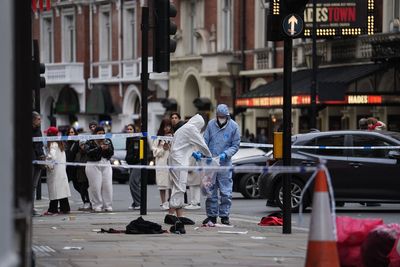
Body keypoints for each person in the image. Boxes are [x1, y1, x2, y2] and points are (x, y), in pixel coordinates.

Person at [164, 114, 211, 233]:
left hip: (175, 160)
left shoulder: (184, 128)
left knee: (178, 186)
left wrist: (194, 154)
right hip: (179, 162)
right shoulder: (191, 129)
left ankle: (178, 216)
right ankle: (171, 216)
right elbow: (202, 144)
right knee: (180, 187)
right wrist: (209, 156)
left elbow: (184, 145)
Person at [202, 104, 240, 225]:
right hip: (211, 162)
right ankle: (212, 216)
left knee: (226, 191)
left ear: (227, 116)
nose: (221, 118)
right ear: (217, 115)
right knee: (210, 190)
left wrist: (226, 154)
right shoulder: (211, 125)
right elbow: (204, 141)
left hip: (224, 163)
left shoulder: (234, 126)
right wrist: (201, 152)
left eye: (224, 116)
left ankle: (224, 215)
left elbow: (235, 145)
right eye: (220, 116)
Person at [84, 126, 114, 212]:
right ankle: (97, 205)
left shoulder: (108, 141)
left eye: (102, 133)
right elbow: (88, 153)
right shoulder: (89, 142)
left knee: (107, 185)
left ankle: (107, 205)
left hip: (105, 163)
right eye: (99, 133)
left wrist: (107, 149)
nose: (101, 135)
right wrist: (100, 148)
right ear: (95, 134)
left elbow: (111, 153)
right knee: (95, 186)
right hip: (93, 164)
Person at [43, 127, 71, 215]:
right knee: (62, 190)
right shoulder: (60, 144)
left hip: (55, 171)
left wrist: (47, 163)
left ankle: (53, 209)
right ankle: (65, 208)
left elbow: (52, 157)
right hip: (61, 170)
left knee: (54, 190)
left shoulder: (53, 144)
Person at [152, 119, 173, 210]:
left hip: (171, 163)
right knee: (162, 184)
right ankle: (163, 202)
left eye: (169, 126)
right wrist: (163, 149)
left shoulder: (174, 137)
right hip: (161, 163)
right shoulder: (157, 138)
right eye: (165, 126)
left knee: (171, 183)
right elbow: (154, 152)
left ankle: (171, 201)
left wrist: (170, 145)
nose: (167, 128)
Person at [32, 111, 45, 216]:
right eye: (38, 119)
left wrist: (42, 156)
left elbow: (39, 144)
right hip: (30, 160)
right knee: (28, 184)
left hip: (38, 160)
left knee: (34, 185)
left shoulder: (38, 130)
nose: (40, 121)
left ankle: (31, 207)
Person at [125, 124, 141, 210]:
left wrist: (138, 159)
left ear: (134, 130)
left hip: (138, 163)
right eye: (127, 129)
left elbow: (141, 153)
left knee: (133, 182)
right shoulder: (128, 139)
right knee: (132, 184)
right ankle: (136, 202)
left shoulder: (138, 140)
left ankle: (139, 202)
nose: (129, 131)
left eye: (131, 129)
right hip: (131, 163)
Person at [75, 140, 91, 210]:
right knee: (82, 190)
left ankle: (88, 202)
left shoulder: (88, 153)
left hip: (87, 175)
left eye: (84, 145)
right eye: (81, 145)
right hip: (80, 175)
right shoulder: (78, 154)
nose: (83, 146)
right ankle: (85, 202)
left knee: (85, 189)